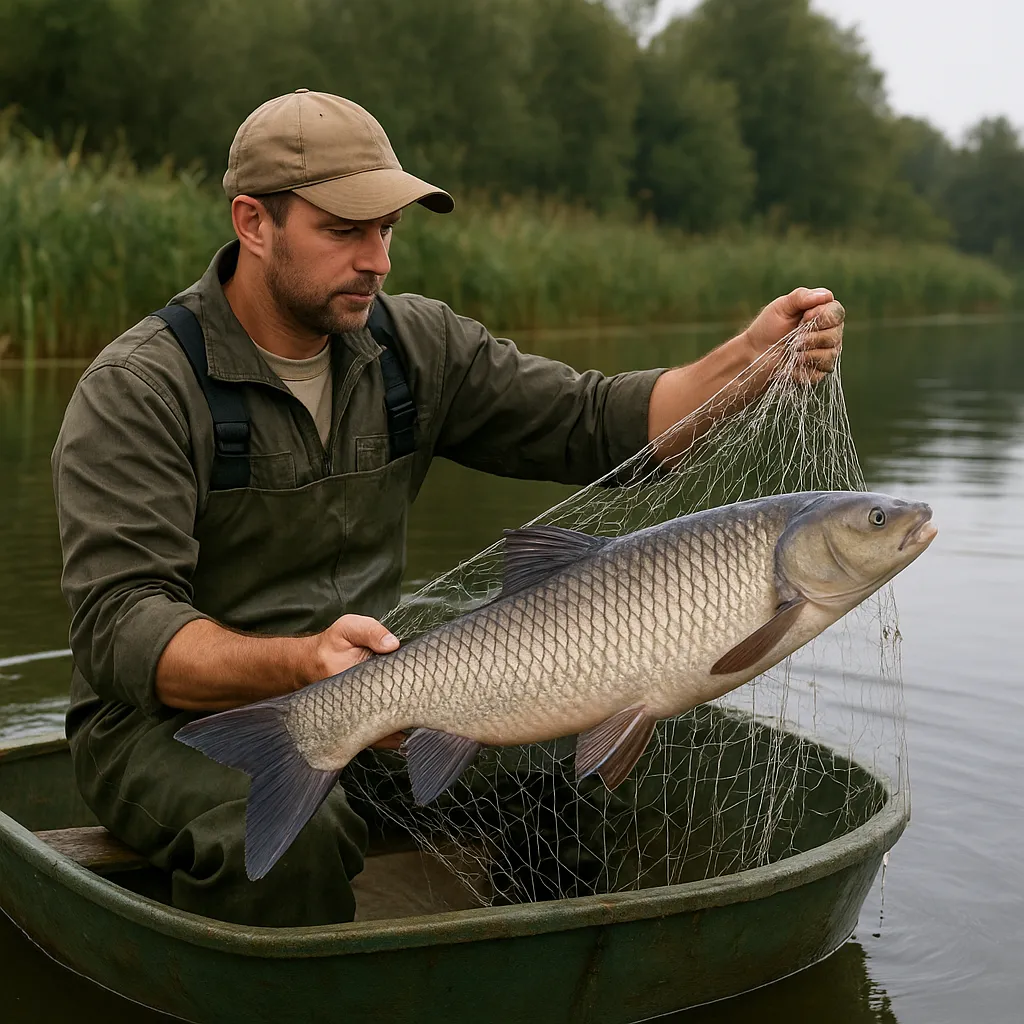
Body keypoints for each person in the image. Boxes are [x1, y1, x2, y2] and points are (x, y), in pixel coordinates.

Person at [51, 90, 844, 928]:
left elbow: (597, 423)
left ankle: (533, 972)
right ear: (254, 222)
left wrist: (748, 359)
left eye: (387, 230)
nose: (377, 260)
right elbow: (121, 628)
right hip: (167, 727)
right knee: (295, 839)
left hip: (377, 698)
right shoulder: (141, 389)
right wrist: (302, 664)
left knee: (594, 749)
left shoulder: (415, 348)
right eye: (344, 230)